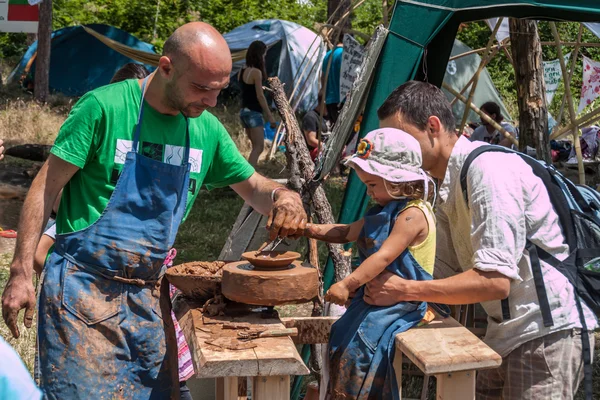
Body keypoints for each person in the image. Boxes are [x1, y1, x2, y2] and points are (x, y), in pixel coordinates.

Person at [1, 22, 306, 400]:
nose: (211, 102)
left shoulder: (205, 130)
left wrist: (282, 196)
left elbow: (255, 187)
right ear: (165, 68)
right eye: (201, 88)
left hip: (146, 298)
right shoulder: (105, 107)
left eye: (219, 90)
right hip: (81, 294)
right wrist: (20, 272)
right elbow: (45, 188)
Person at [375, 80, 598, 399]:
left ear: (433, 127)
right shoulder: (446, 181)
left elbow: (494, 282)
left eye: (400, 139)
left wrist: (405, 289)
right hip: (505, 329)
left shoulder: (488, 171)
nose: (393, 151)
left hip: (545, 330)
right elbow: (444, 271)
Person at [301, 128, 438, 399]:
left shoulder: (413, 215)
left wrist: (347, 283)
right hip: (375, 298)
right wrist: (305, 229)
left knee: (361, 346)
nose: (369, 192)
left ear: (396, 180)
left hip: (405, 303)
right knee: (340, 332)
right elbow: (346, 232)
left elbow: (384, 256)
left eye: (373, 185)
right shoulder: (381, 211)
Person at [238, 40, 276, 167]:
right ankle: (250, 177)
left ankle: (249, 174)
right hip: (254, 113)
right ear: (260, 55)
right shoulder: (257, 73)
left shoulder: (242, 71)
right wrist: (270, 116)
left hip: (243, 112)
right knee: (259, 147)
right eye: (264, 54)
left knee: (254, 147)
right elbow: (260, 95)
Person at [321, 37, 344, 125]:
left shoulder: (328, 55)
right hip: (342, 100)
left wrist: (324, 94)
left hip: (330, 100)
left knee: (336, 131)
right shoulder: (344, 54)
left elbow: (323, 77)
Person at [301, 95, 330, 162]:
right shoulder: (310, 117)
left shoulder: (330, 116)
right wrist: (328, 147)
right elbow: (311, 140)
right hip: (315, 152)